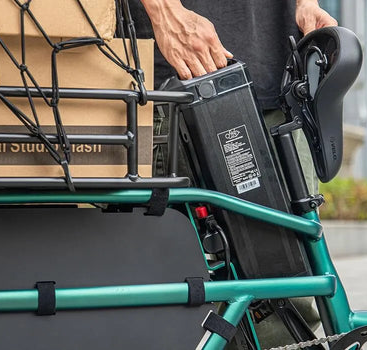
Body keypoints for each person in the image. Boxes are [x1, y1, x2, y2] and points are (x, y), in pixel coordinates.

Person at [130, 0, 337, 347]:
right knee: (161, 298)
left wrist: (307, 4)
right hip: (169, 80)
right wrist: (163, 12)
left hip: (277, 84)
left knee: (288, 301)